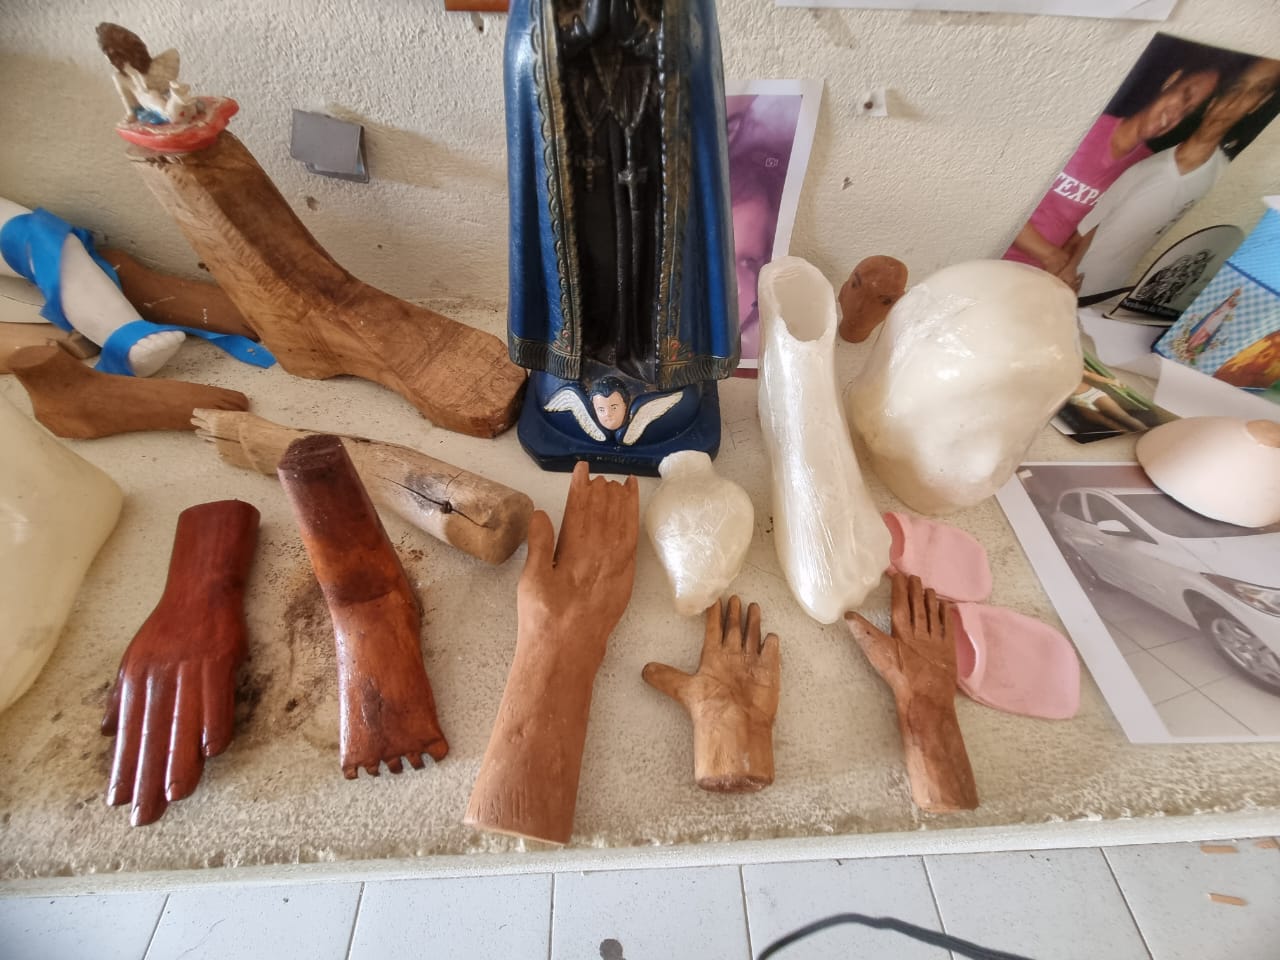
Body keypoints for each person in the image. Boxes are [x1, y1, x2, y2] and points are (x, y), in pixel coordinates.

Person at [504, 0, 738, 395]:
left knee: (645, 251)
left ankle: (642, 345)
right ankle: (587, 349)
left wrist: (640, 34)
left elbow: (691, 49)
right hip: (575, 147)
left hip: (650, 141)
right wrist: (581, 30)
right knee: (588, 253)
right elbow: (528, 52)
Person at [1067, 57, 1280, 297]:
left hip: (1112, 294)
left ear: (1261, 102)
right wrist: (1067, 272)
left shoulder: (1222, 177)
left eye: (1257, 91)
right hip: (1070, 285)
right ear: (1213, 100)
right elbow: (1085, 229)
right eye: (1236, 88)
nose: (1236, 101)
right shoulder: (1145, 162)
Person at [1003, 67, 1219, 275]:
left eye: (1188, 112)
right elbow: (1000, 195)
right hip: (999, 255)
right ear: (1172, 80)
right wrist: (1051, 257)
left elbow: (1095, 224)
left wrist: (1070, 267)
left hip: (1042, 274)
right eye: (1185, 96)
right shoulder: (1082, 126)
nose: (1176, 115)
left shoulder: (1143, 164)